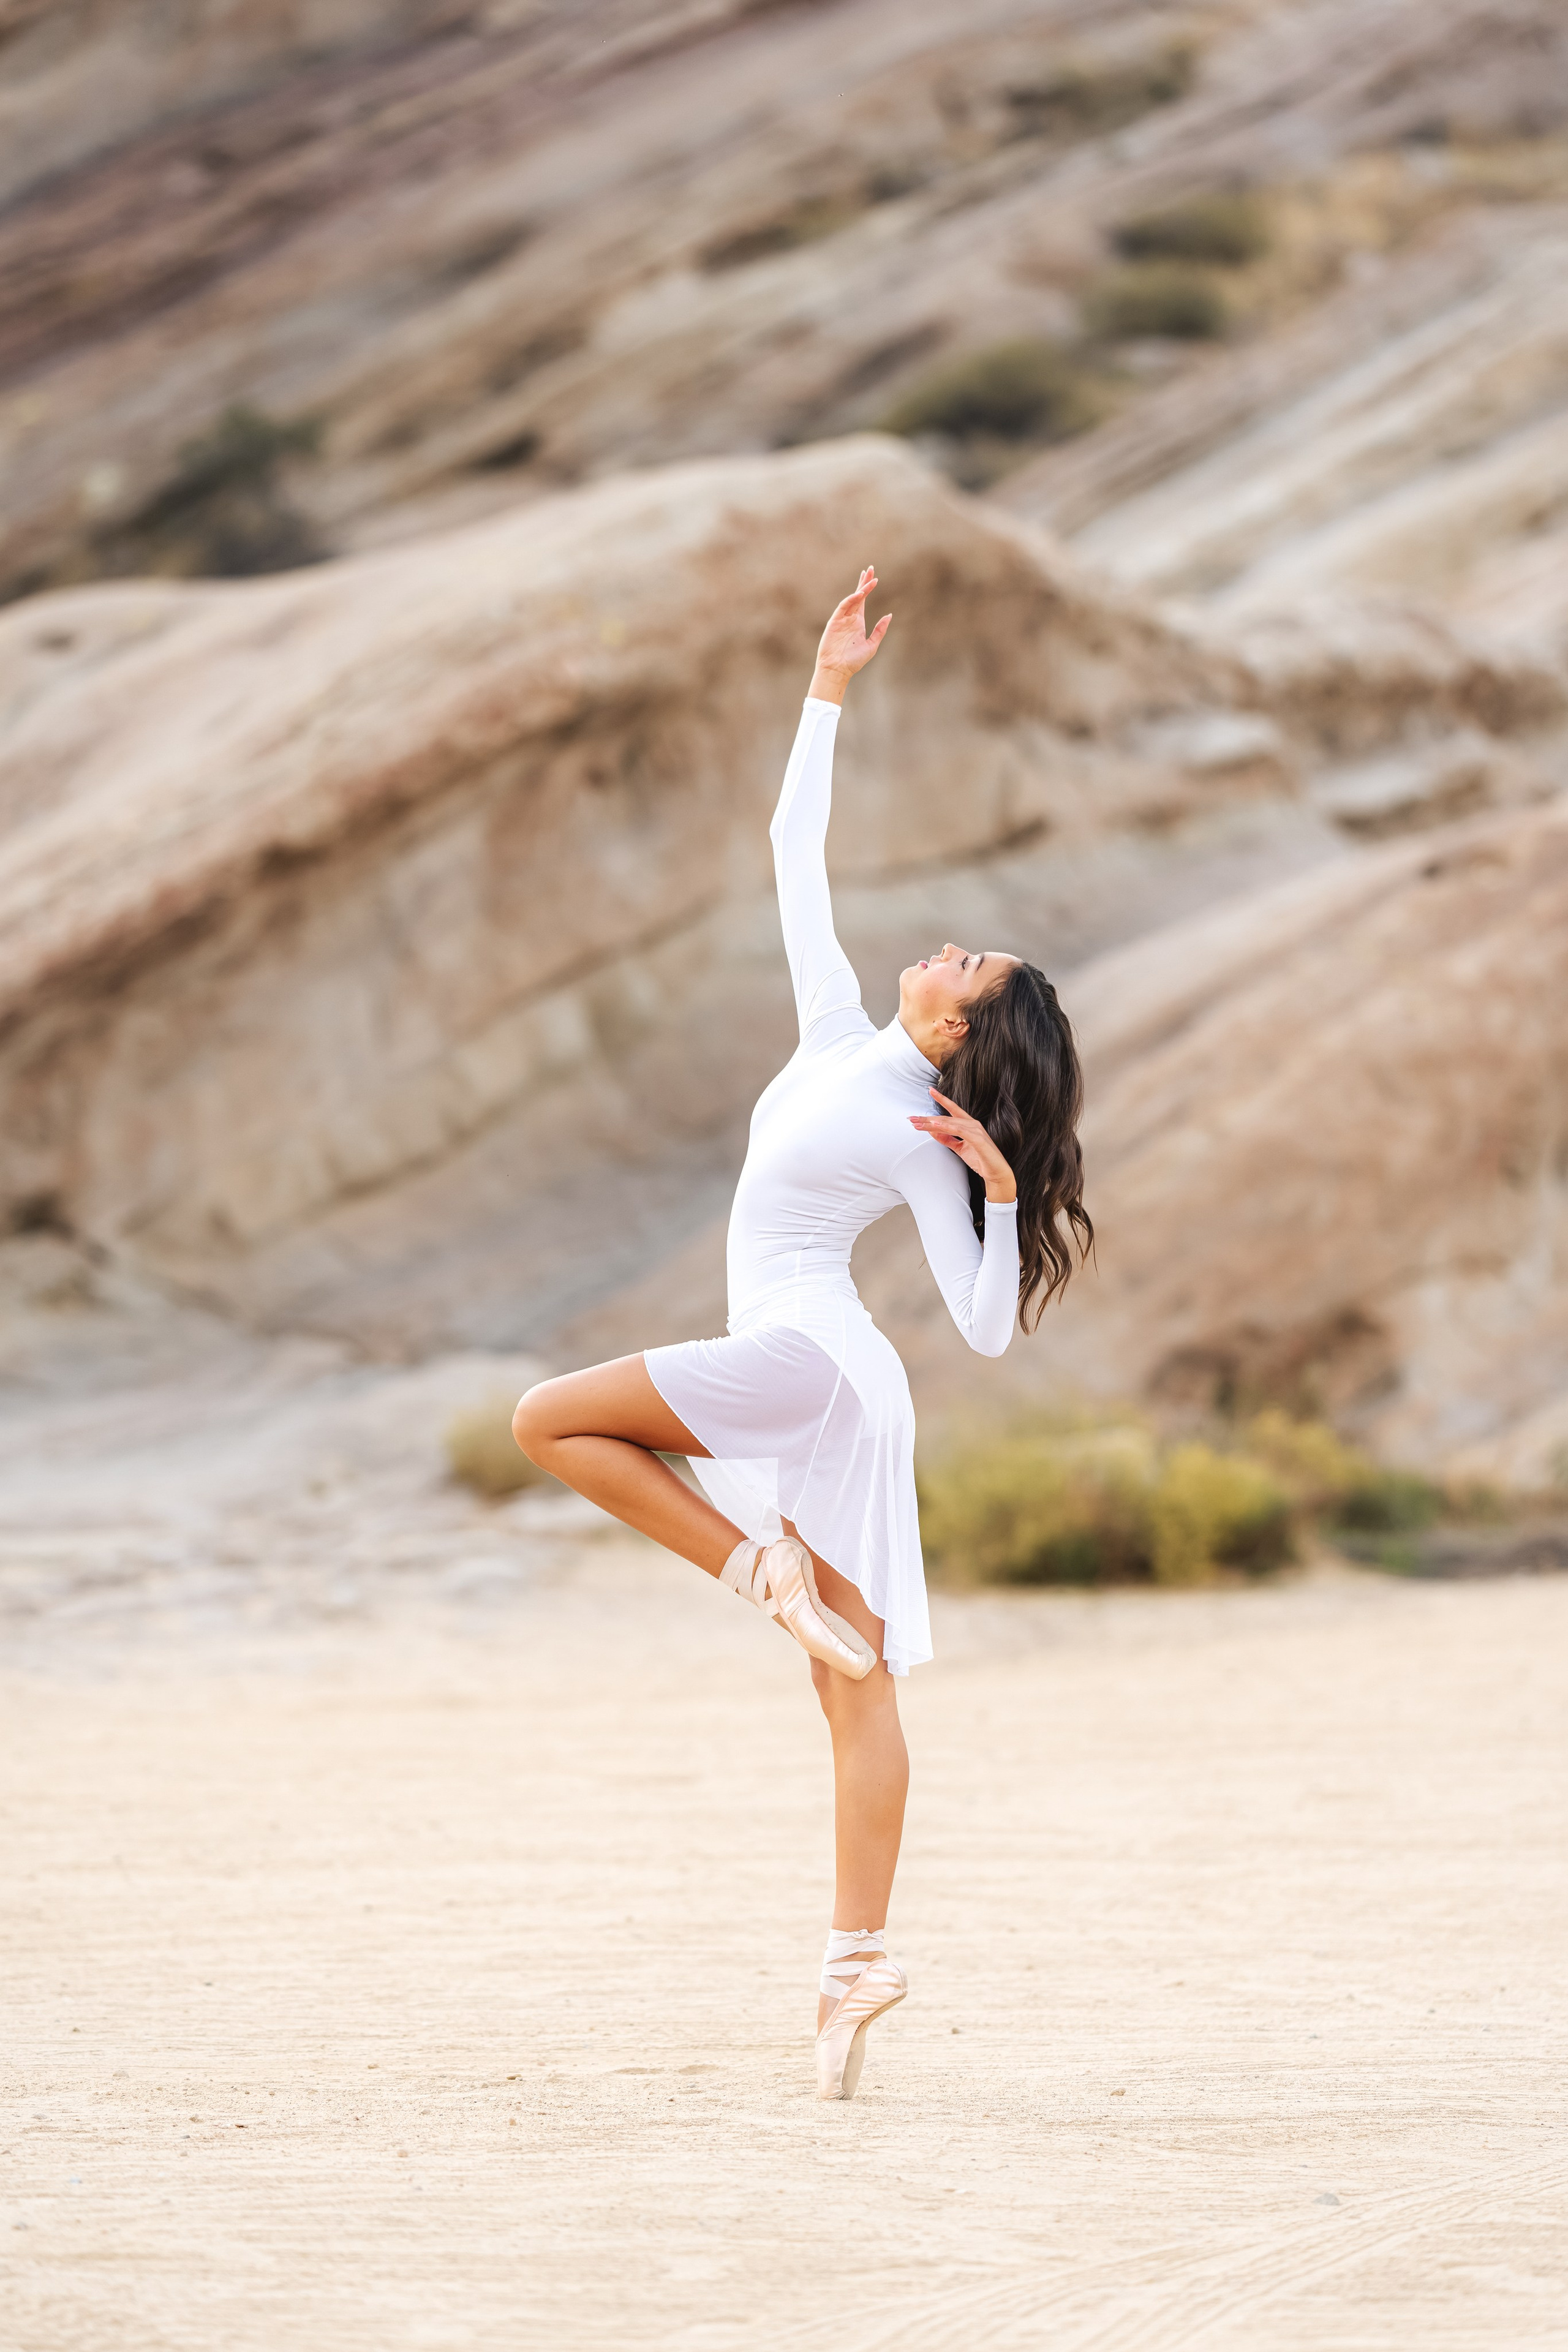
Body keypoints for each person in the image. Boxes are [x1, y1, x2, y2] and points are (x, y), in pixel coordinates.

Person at [512, 567, 1092, 2098]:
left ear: (964, 1027)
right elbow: (790, 851)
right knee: (856, 1689)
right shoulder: (841, 1035)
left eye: (967, 966)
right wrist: (824, 688)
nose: (947, 948)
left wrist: (993, 1185)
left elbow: (979, 1328)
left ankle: (752, 1566)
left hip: (814, 1371)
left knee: (546, 1422)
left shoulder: (920, 1127)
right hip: (825, 1383)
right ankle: (852, 1970)